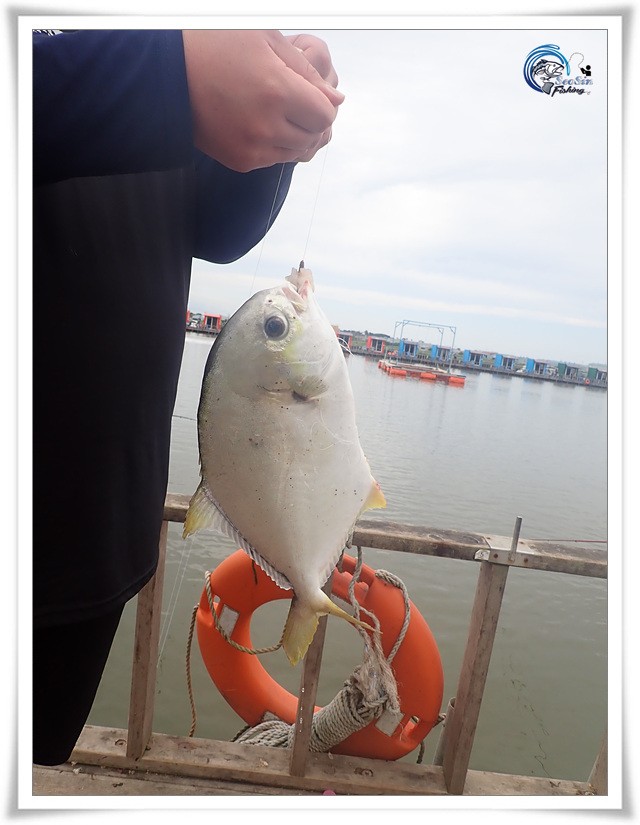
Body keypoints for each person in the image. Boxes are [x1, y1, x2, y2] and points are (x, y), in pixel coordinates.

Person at [32, 28, 344, 766]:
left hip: (101, 530)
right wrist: (167, 77)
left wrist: (268, 132)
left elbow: (215, 226)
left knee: (27, 762)